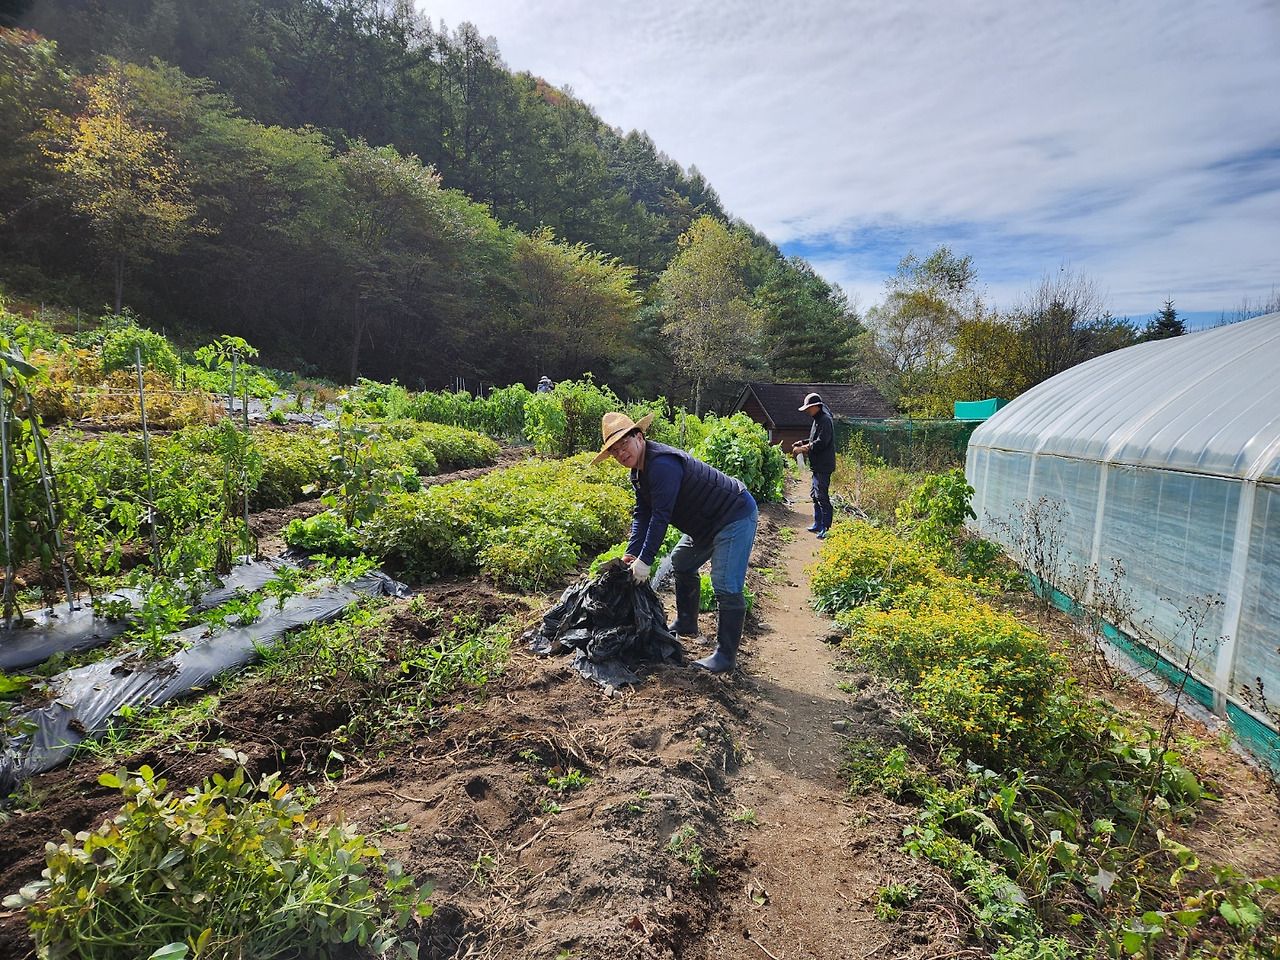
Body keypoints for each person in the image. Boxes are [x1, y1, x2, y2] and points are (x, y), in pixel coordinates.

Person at [591, 411, 758, 674]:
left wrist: (645, 561)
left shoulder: (662, 465)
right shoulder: (638, 473)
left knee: (725, 583)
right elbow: (643, 513)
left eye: (624, 444)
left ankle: (725, 656)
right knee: (682, 562)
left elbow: (660, 516)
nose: (621, 453)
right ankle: (686, 622)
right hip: (704, 523)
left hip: (732, 514)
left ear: (639, 436)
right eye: (614, 450)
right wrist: (631, 554)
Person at [791, 392, 834, 538]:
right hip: (817, 465)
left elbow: (822, 442)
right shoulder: (817, 419)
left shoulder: (825, 420)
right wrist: (803, 442)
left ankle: (825, 527)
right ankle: (818, 523)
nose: (808, 411)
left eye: (809, 408)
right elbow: (813, 439)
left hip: (824, 465)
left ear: (816, 406)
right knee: (815, 495)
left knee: (822, 495)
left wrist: (803, 448)